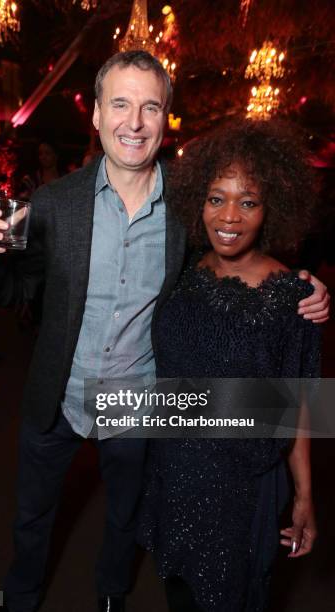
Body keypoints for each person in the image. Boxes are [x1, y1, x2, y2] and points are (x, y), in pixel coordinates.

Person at [0, 52, 328, 612]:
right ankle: (21, 598)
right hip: (58, 394)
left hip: (137, 399)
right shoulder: (55, 204)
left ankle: (113, 592)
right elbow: (18, 291)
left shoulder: (188, 205)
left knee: (125, 512)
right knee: (33, 516)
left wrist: (302, 285)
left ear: (165, 118)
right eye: (121, 104)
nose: (134, 122)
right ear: (98, 115)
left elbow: (238, 246)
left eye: (149, 106)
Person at [138, 119, 322, 612]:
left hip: (240, 491)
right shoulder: (183, 272)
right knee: (179, 595)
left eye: (249, 201)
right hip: (176, 474)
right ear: (198, 200)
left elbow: (299, 405)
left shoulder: (292, 296)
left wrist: (304, 495)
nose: (230, 216)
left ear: (271, 209)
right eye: (217, 198)